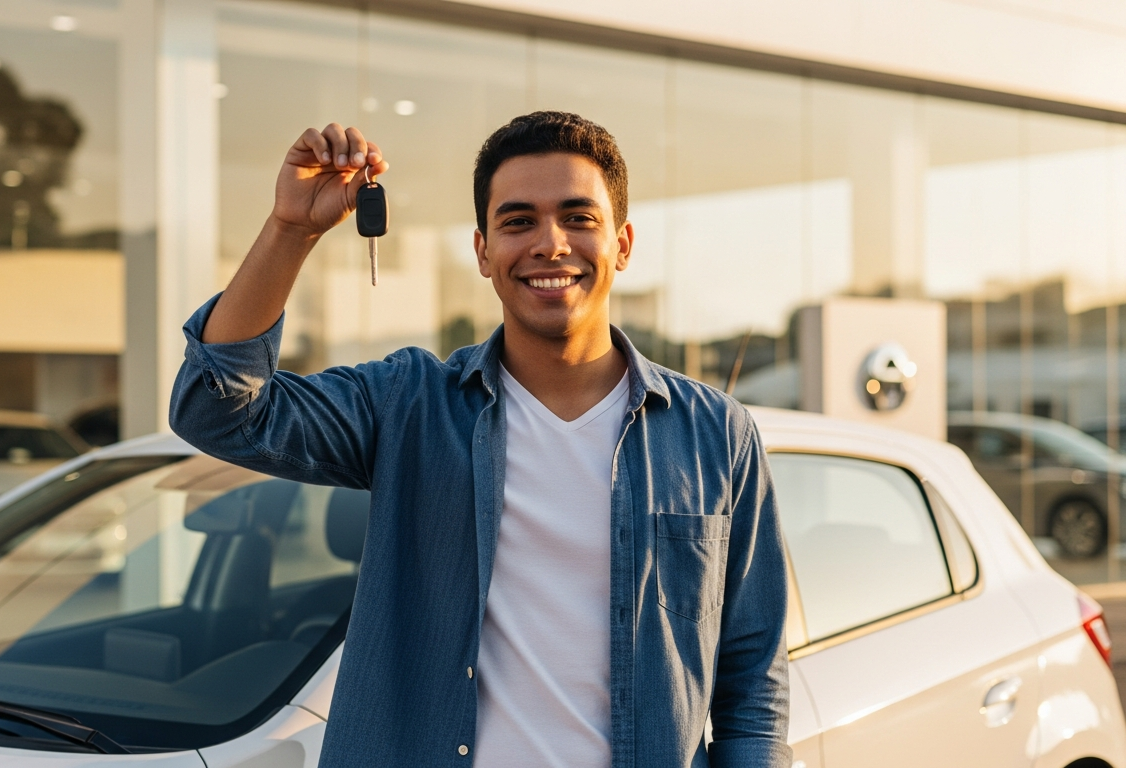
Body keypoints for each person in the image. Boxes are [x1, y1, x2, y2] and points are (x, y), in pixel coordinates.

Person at [170, 111, 790, 768]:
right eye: (518, 221)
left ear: (623, 244)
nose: (551, 243)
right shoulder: (407, 405)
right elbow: (219, 411)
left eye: (579, 218)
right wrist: (291, 230)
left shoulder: (716, 435)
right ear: (483, 251)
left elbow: (752, 685)